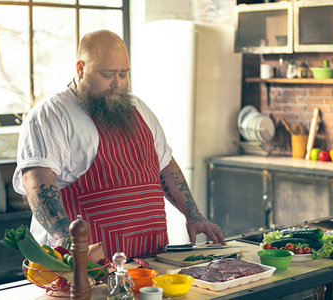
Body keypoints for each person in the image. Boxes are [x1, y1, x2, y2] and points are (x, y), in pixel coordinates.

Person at [13, 29, 225, 259]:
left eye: (124, 74)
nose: (118, 84)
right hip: (85, 264)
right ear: (80, 69)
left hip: (149, 258)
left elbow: (165, 166)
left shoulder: (138, 109)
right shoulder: (51, 115)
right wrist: (64, 237)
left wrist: (193, 215)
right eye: (107, 75)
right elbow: (36, 181)